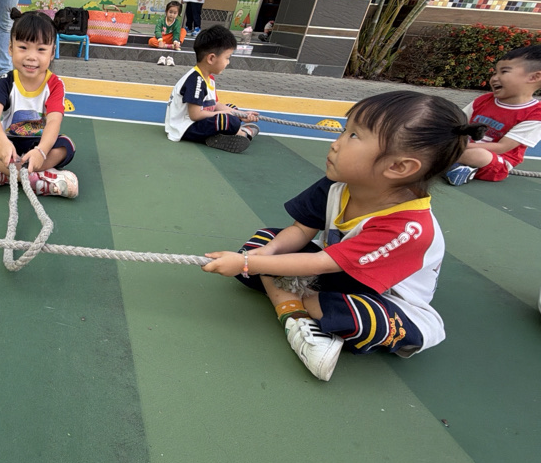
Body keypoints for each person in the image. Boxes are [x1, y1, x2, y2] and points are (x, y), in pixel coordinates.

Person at [202, 91, 486, 381]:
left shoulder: (408, 227)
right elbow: (301, 230)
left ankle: (298, 304)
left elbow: (321, 263)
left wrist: (249, 264)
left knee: (356, 316)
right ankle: (294, 316)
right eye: (344, 130)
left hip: (383, 295)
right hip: (336, 271)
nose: (335, 143)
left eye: (353, 136)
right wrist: (266, 253)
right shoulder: (338, 184)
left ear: (398, 167)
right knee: (263, 241)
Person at [0, 9, 77, 198]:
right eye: (23, 47)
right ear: (10, 48)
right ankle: (39, 179)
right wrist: (1, 142)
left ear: (52, 52)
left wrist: (41, 152)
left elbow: (54, 121)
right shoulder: (5, 82)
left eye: (41, 49)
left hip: (40, 143)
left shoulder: (55, 85)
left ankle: (3, 175)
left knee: (66, 146)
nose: (31, 56)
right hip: (9, 144)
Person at [445, 45, 541, 185]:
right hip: (462, 149)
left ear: (534, 77)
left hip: (494, 162)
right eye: (495, 73)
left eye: (504, 72)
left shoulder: (535, 114)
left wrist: (457, 147)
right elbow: (458, 122)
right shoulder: (483, 100)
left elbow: (502, 147)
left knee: (479, 155)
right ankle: (456, 168)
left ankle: (448, 163)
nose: (494, 78)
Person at [165, 25, 259, 153]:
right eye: (227, 57)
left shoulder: (208, 78)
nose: (228, 62)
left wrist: (241, 114)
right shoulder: (196, 81)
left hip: (198, 121)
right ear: (211, 58)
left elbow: (214, 104)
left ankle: (222, 135)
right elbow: (195, 115)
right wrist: (227, 115)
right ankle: (243, 134)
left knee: (232, 108)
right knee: (228, 120)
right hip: (185, 127)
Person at [149, 0, 185, 64]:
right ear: (166, 11)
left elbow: (176, 33)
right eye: (170, 12)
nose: (172, 15)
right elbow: (157, 30)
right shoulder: (161, 20)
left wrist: (176, 41)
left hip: (172, 39)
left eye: (175, 13)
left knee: (183, 31)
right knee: (151, 41)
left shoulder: (177, 23)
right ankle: (169, 46)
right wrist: (160, 40)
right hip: (162, 39)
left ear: (178, 14)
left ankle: (176, 45)